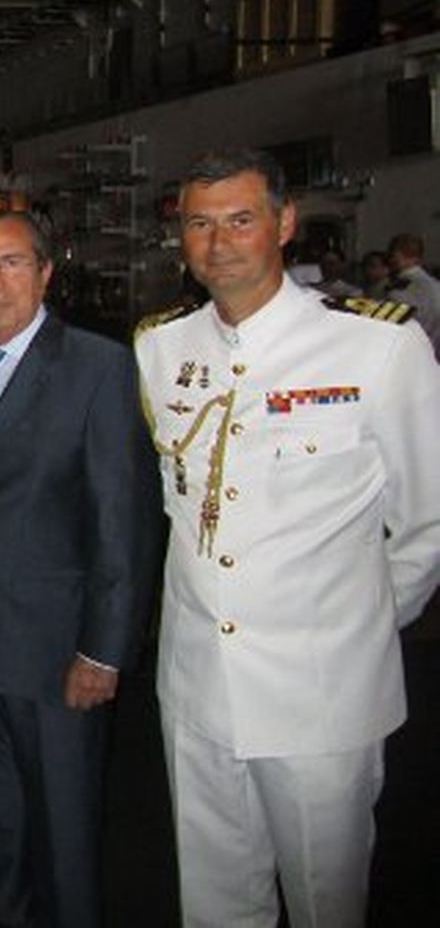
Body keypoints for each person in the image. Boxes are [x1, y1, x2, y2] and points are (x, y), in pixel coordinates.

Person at [136, 148, 440, 928]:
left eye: (241, 219)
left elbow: (427, 520)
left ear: (285, 223)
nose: (219, 242)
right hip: (198, 682)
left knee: (326, 901)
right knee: (213, 902)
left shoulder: (377, 348)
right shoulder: (162, 348)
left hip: (321, 692)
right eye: (200, 224)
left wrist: (354, 624)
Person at [0, 212, 161, 928]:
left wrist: (103, 649)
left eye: (10, 263)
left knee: (64, 839)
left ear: (45, 272)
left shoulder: (99, 366)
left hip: (56, 654)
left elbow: (121, 521)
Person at [384, 231, 440, 352]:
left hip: (408, 351)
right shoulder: (435, 285)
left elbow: (390, 325)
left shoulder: (401, 287)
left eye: (392, 255)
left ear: (397, 255)